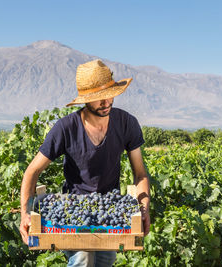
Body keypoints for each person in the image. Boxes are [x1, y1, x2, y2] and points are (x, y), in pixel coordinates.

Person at [20, 59, 150, 267]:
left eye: (109, 95)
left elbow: (140, 174)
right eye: (98, 98)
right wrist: (25, 214)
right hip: (74, 211)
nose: (106, 102)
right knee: (83, 259)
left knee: (104, 262)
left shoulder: (127, 123)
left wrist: (144, 208)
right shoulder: (65, 128)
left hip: (110, 212)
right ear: (85, 100)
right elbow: (32, 172)